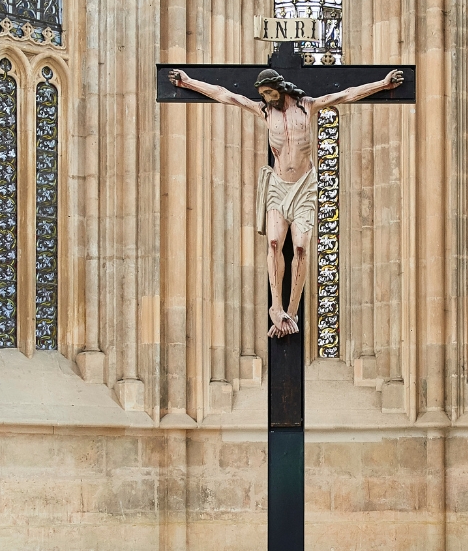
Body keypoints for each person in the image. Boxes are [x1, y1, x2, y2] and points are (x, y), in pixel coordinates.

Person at [167, 50, 403, 337]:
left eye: (269, 92)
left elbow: (347, 94)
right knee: (275, 243)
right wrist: (189, 82)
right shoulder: (265, 111)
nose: (267, 98)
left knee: (301, 247)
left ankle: (291, 312)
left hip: (304, 187)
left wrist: (383, 84)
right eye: (263, 95)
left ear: (279, 87)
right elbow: (225, 94)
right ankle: (275, 308)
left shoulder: (308, 105)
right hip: (278, 186)